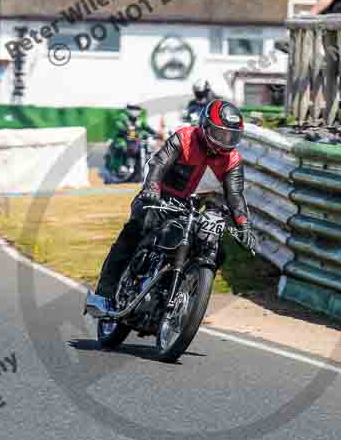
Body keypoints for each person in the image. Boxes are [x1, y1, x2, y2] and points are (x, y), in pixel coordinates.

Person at [91, 100, 256, 314]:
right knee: (136, 230)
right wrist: (152, 188)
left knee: (217, 251)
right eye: (220, 134)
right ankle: (104, 294)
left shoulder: (232, 160)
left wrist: (244, 225)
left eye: (231, 136)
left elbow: (234, 195)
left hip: (192, 209)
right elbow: (159, 163)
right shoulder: (185, 138)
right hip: (159, 198)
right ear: (205, 126)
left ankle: (186, 292)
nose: (225, 141)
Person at [108, 104, 156, 176]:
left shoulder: (140, 119)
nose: (135, 111)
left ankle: (149, 165)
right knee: (121, 146)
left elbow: (147, 127)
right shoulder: (122, 117)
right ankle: (120, 166)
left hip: (135, 139)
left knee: (148, 147)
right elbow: (119, 125)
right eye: (133, 108)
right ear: (128, 109)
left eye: (137, 109)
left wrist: (156, 133)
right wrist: (125, 130)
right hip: (122, 138)